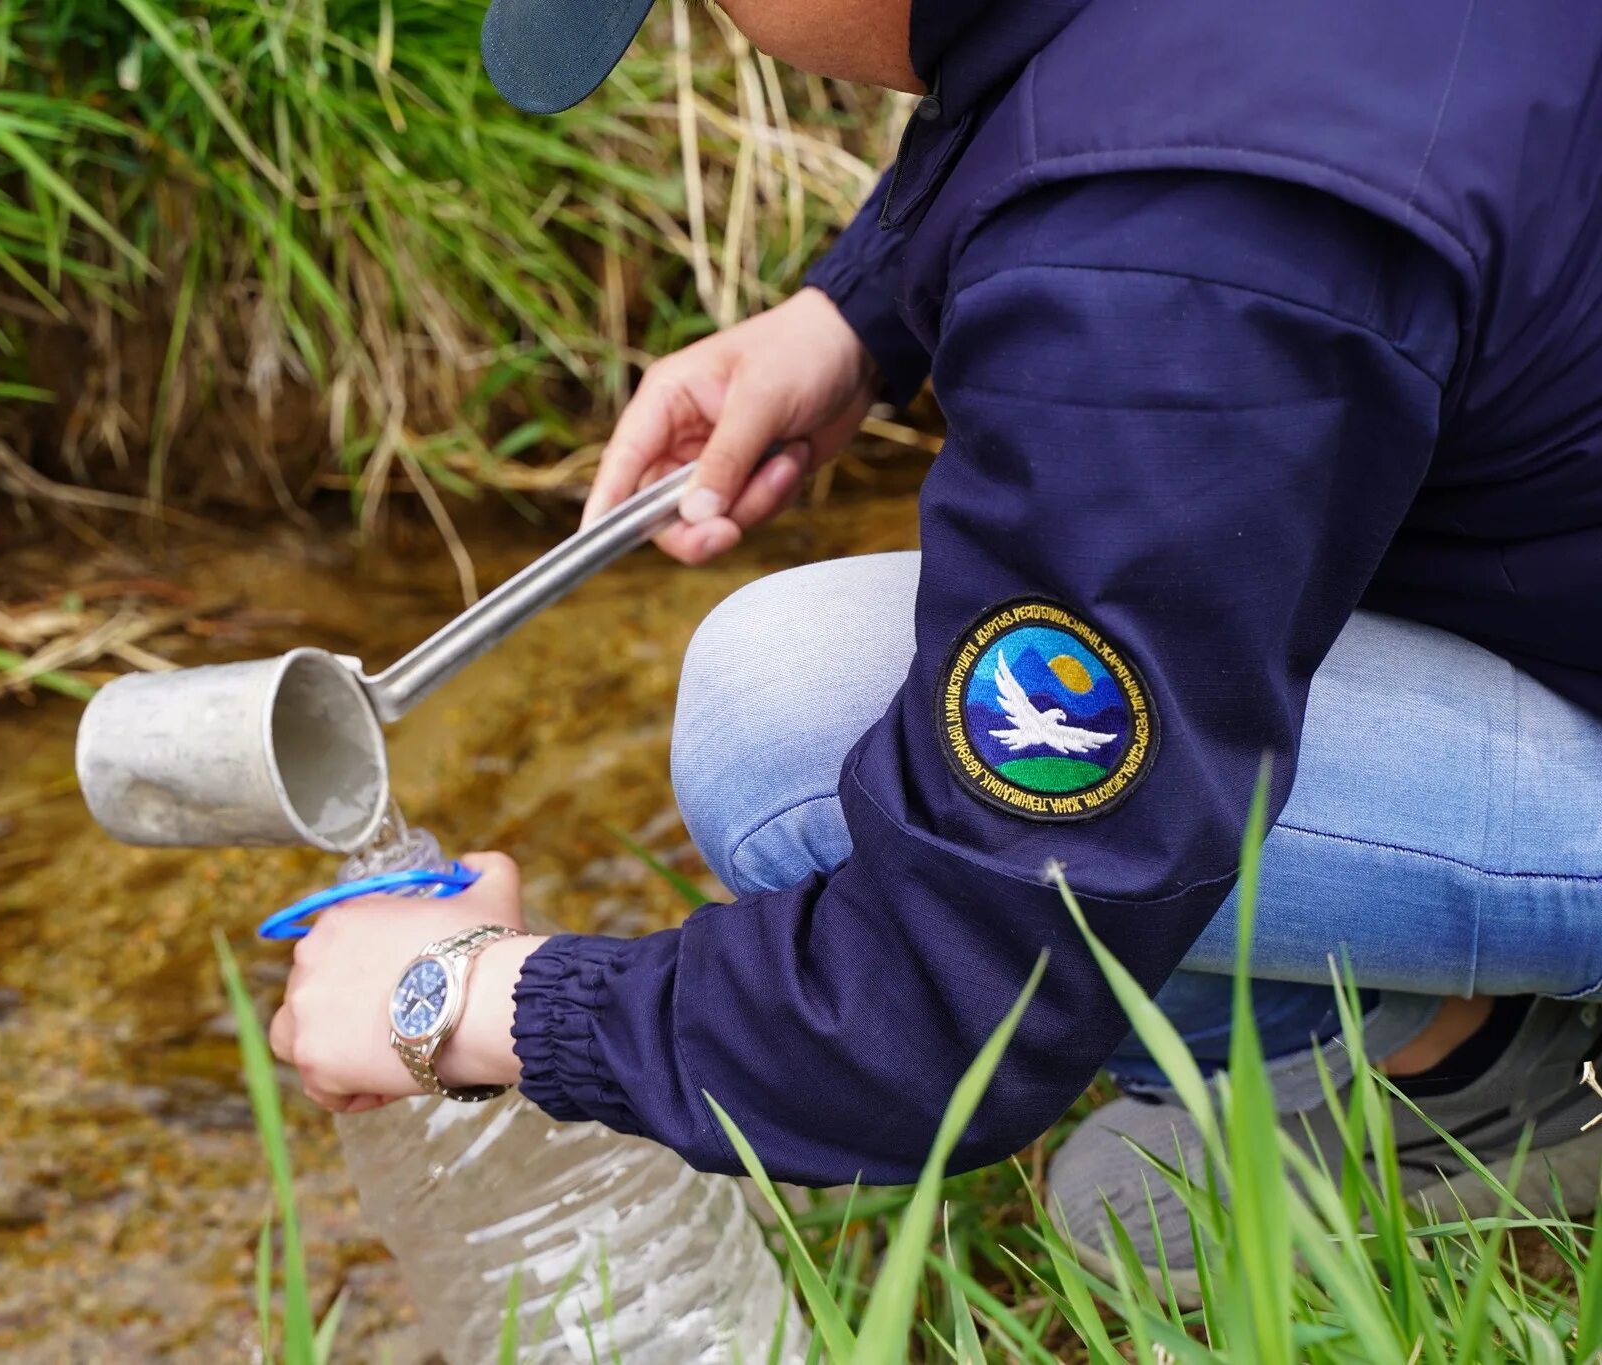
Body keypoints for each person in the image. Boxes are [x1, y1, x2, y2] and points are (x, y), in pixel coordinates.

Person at [269, 0, 1602, 1290]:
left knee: (784, 731)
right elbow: (1122, 65)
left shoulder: (1172, 261)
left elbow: (958, 969)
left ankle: (1469, 1092)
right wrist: (854, 311)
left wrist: (470, 1001)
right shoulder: (1210, 148)